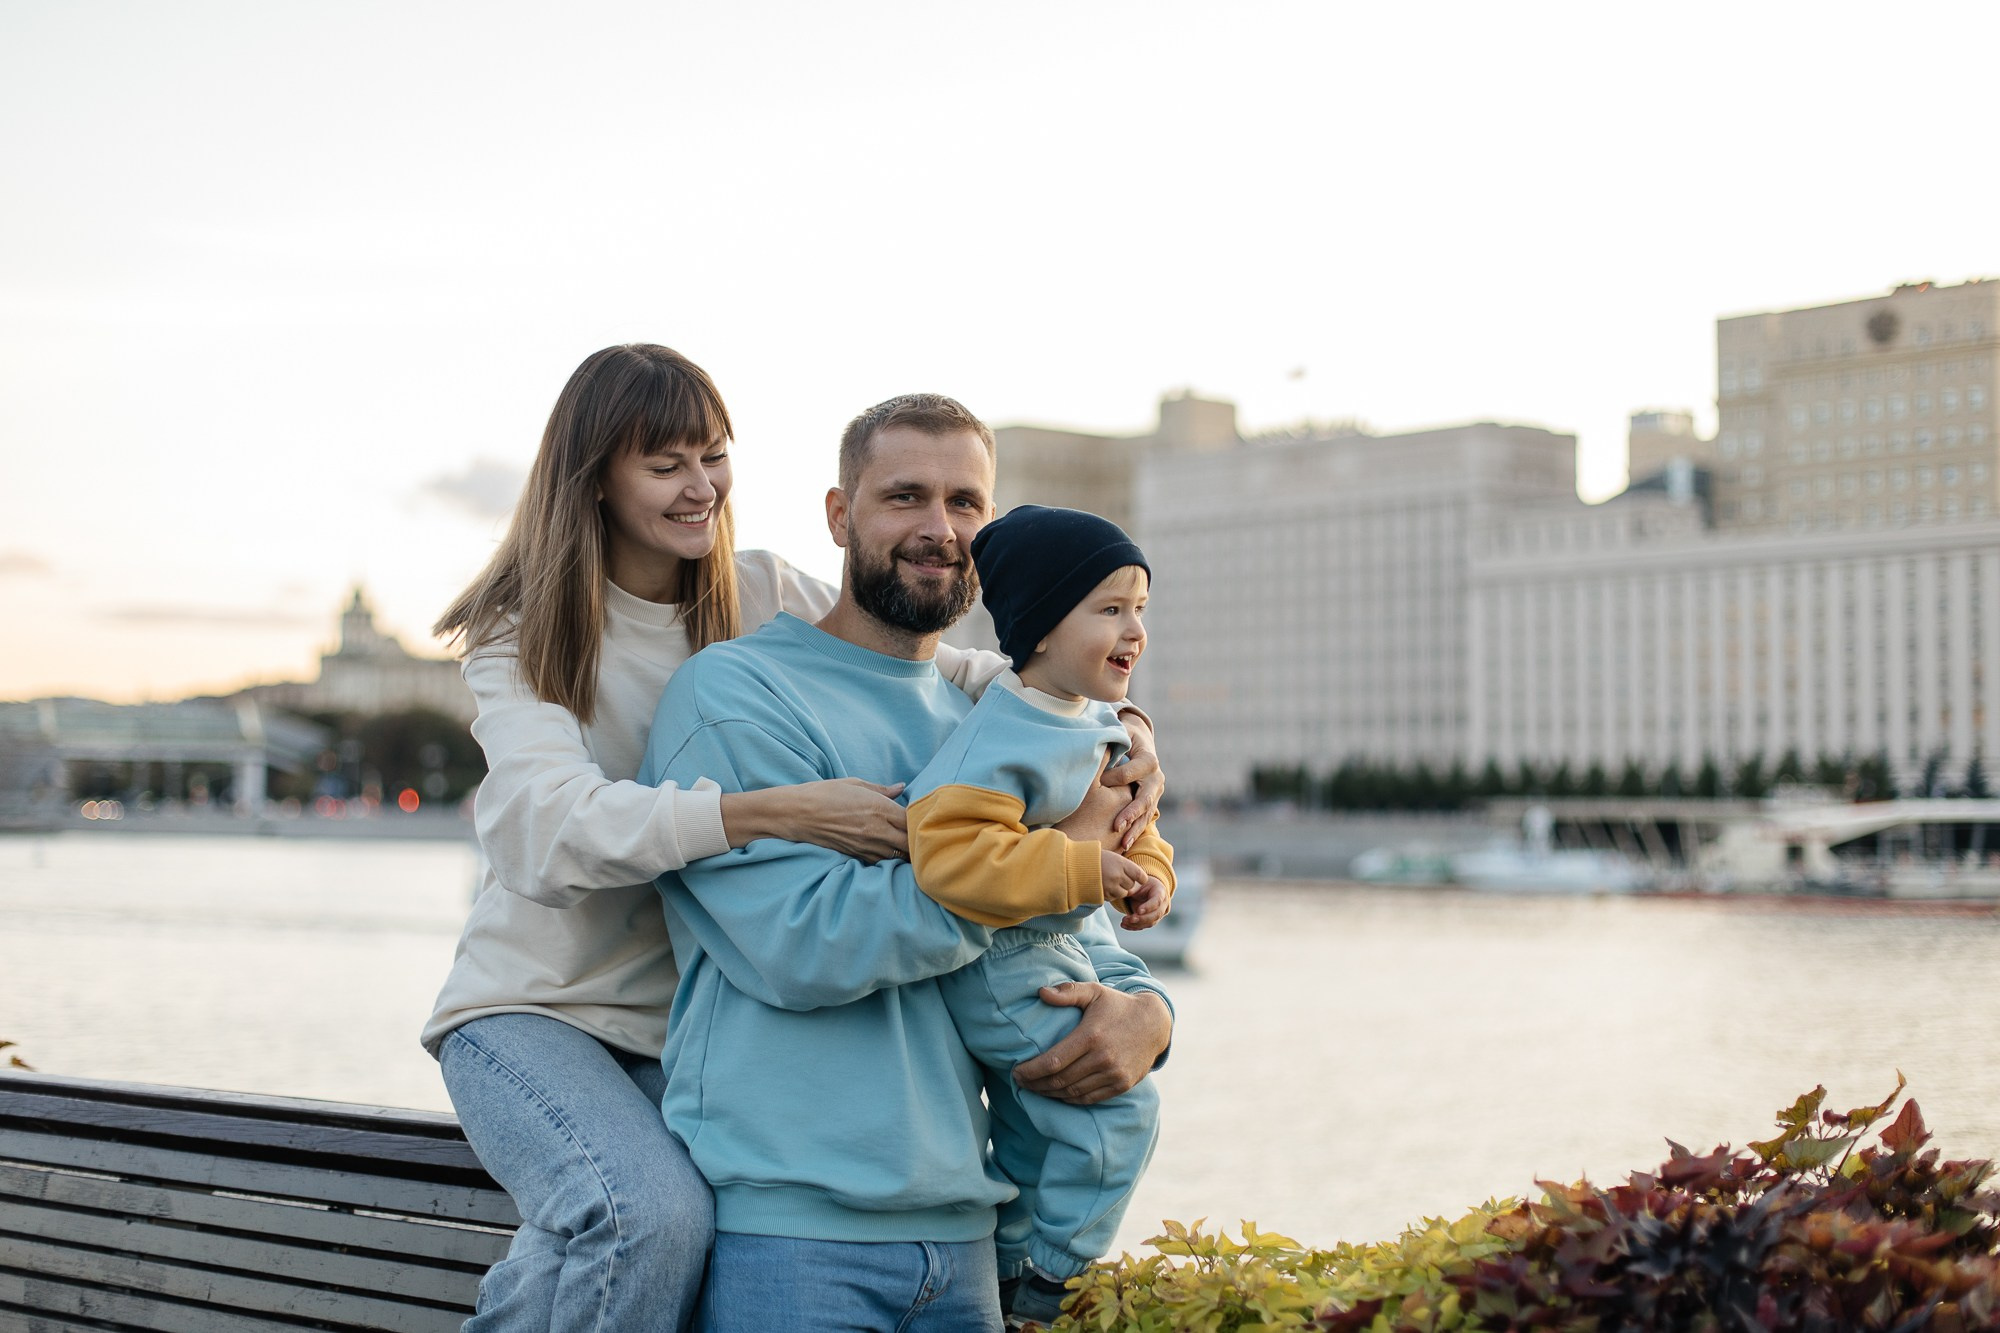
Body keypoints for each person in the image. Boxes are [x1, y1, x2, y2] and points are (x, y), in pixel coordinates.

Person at [419, 347, 1166, 1333]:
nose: (700, 487)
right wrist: (768, 812)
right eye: (663, 464)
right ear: (594, 476)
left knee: (623, 1225)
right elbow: (537, 831)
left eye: (712, 457)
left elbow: (936, 659)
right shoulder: (532, 632)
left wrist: (1118, 725)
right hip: (543, 1000)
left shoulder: (758, 588)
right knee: (641, 1214)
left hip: (671, 1007)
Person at [641, 394, 1176, 1333]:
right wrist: (1039, 869)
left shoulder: (999, 717)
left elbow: (1077, 925)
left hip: (973, 1240)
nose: (941, 529)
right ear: (841, 517)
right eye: (906, 497)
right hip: (792, 1234)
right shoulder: (735, 693)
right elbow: (804, 947)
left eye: (966, 503)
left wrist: (1148, 1017)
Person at [901, 503, 1175, 1328]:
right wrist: (1085, 864)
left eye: (1140, 609)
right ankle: (1058, 1286)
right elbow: (947, 853)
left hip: (1060, 947)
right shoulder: (998, 736)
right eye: (1110, 608)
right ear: (1043, 629)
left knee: (1029, 1136)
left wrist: (1147, 877)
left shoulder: (1094, 720)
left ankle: (1012, 1268)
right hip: (1001, 964)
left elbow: (1137, 826)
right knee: (1122, 1111)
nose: (1134, 630)